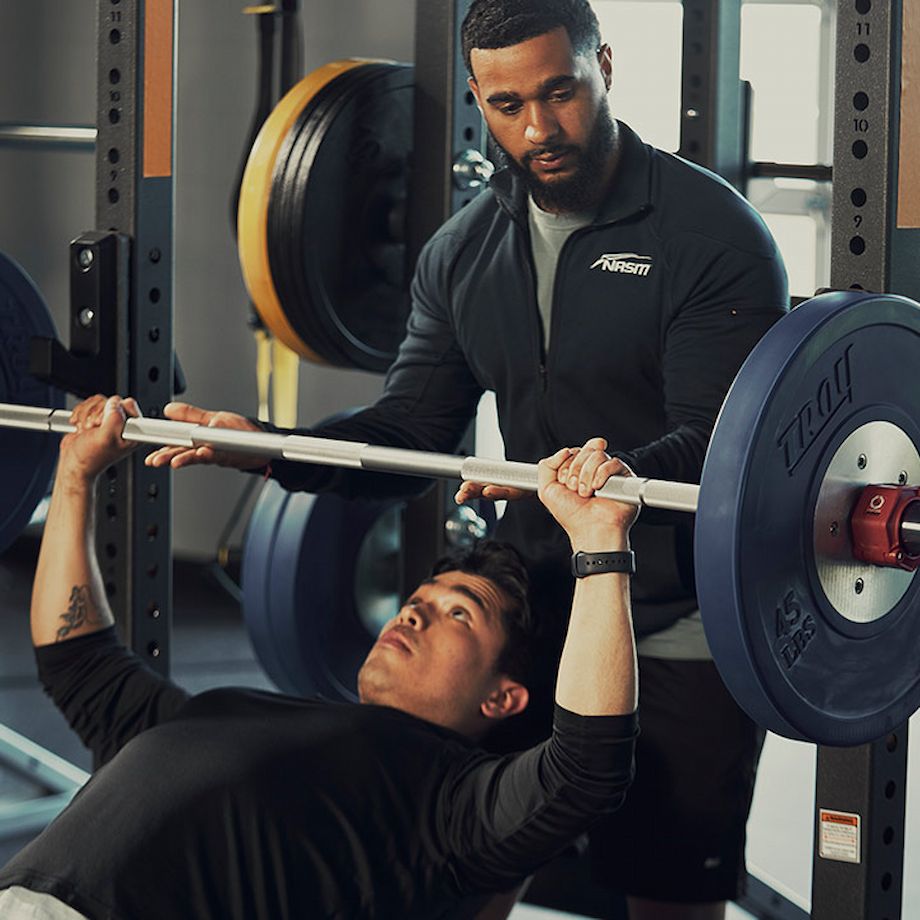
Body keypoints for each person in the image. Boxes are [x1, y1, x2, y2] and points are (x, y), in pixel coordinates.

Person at [145, 1, 789, 916]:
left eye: (560, 92)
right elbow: (412, 426)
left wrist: (588, 479)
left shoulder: (711, 238)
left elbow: (715, 444)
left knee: (665, 891)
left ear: (602, 64)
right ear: (478, 98)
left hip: (678, 621)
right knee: (464, 862)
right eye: (506, 104)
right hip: (530, 609)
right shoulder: (462, 253)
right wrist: (259, 449)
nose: (537, 128)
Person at [0, 395, 639, 920]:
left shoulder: (451, 803)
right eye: (419, 597)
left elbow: (582, 772)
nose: (411, 612)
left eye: (458, 613)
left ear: (502, 696)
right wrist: (75, 474)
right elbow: (78, 661)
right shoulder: (231, 714)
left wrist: (599, 540)